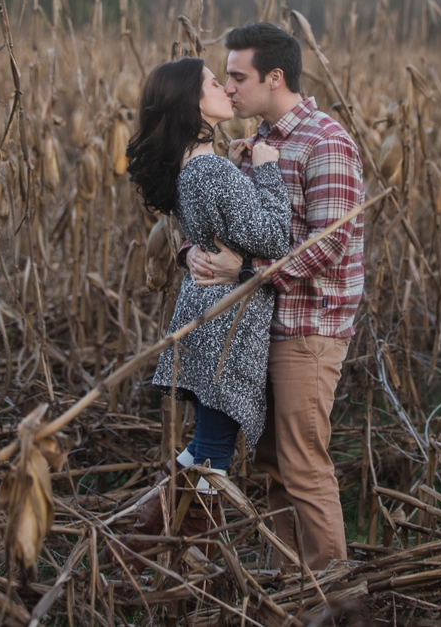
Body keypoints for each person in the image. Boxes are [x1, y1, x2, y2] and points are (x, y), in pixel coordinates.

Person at [185, 22, 366, 572]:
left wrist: (251, 272)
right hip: (259, 329)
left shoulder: (325, 141)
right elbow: (227, 228)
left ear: (276, 77)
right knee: (272, 464)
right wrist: (191, 256)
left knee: (303, 463)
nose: (230, 88)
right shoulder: (255, 145)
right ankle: (293, 581)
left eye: (238, 77)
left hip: (308, 330)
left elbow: (329, 240)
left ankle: (335, 594)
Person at [124, 57, 290, 541]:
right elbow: (275, 238)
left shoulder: (193, 168)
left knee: (207, 446)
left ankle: (150, 546)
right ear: (191, 102)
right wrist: (266, 170)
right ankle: (165, 554)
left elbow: (223, 230)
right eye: (215, 83)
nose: (226, 88)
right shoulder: (210, 170)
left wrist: (238, 169)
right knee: (213, 451)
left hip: (207, 320)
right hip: (227, 328)